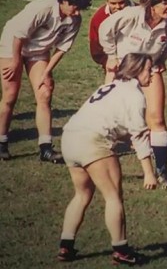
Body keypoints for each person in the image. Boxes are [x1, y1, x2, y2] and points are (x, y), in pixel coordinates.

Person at [57, 53, 156, 265]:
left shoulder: (109, 86)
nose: (153, 74)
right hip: (93, 140)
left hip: (69, 137)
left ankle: (66, 246)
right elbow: (139, 134)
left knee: (82, 194)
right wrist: (148, 172)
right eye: (149, 69)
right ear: (136, 70)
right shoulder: (135, 95)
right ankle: (121, 250)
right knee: (113, 196)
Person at [98, 0, 167, 188]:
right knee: (110, 120)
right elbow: (105, 29)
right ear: (151, 4)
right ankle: (100, 166)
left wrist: (163, 57)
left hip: (151, 69)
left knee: (157, 118)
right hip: (124, 70)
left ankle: (162, 171)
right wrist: (111, 55)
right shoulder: (131, 15)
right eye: (164, 3)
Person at [0, 0, 92, 162]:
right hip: (12, 46)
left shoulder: (75, 19)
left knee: (45, 92)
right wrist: (16, 62)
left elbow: (62, 49)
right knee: (10, 95)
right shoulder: (42, 9)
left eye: (80, 8)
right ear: (63, 1)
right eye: (74, 7)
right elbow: (18, 36)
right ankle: (2, 141)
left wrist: (46, 72)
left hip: (39, 52)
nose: (77, 12)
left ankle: (46, 148)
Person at [89, 0, 134, 70]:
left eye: (121, 3)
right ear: (107, 1)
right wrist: (107, 61)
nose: (117, 7)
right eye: (113, 3)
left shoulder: (138, 11)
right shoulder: (99, 18)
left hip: (137, 62)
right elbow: (95, 46)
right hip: (113, 64)